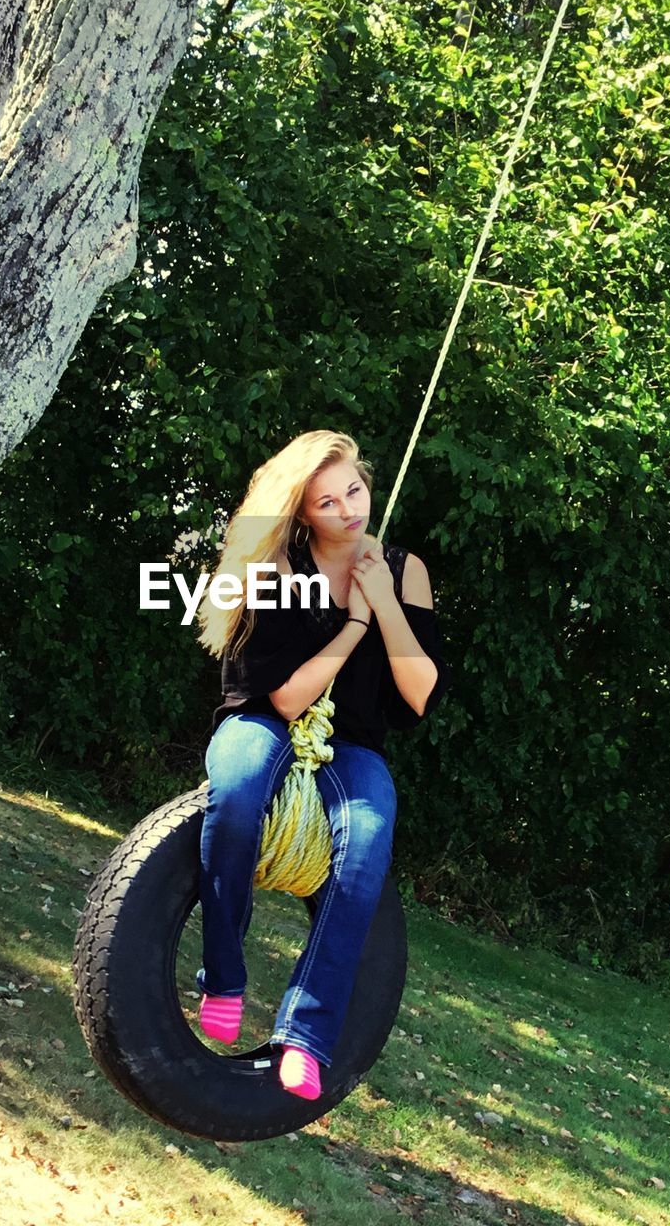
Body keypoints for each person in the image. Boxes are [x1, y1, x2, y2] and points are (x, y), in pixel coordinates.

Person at [194, 429, 453, 1101]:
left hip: (355, 742)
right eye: (328, 502)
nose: (348, 510)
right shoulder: (278, 568)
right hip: (263, 717)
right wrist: (354, 625)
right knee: (240, 790)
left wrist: (385, 603)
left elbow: (420, 693)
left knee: (366, 843)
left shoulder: (406, 570)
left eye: (355, 491)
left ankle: (304, 1036)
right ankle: (222, 975)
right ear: (304, 513)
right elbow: (285, 697)